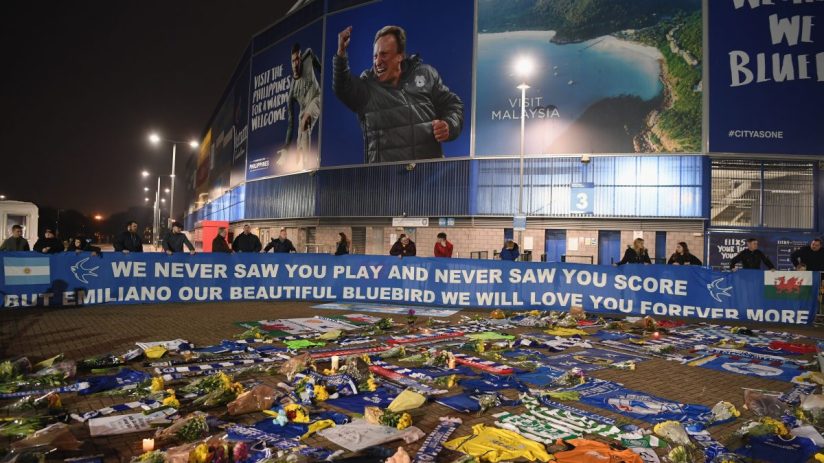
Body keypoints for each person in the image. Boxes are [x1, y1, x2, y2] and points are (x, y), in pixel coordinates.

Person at [333, 25, 464, 163]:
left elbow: (454, 105)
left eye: (384, 54)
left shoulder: (426, 75)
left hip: (427, 177)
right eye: (375, 56)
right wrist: (341, 54)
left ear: (400, 56)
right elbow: (343, 87)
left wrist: (449, 125)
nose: (377, 62)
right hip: (384, 180)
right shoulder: (367, 86)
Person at [279, 42, 321, 169]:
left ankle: (309, 165)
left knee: (304, 121)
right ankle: (304, 164)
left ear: (300, 56)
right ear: (291, 63)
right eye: (293, 61)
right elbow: (291, 124)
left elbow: (318, 65)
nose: (296, 64)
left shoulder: (308, 55)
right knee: (298, 153)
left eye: (297, 59)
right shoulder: (291, 92)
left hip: (317, 98)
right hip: (303, 112)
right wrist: (286, 148)